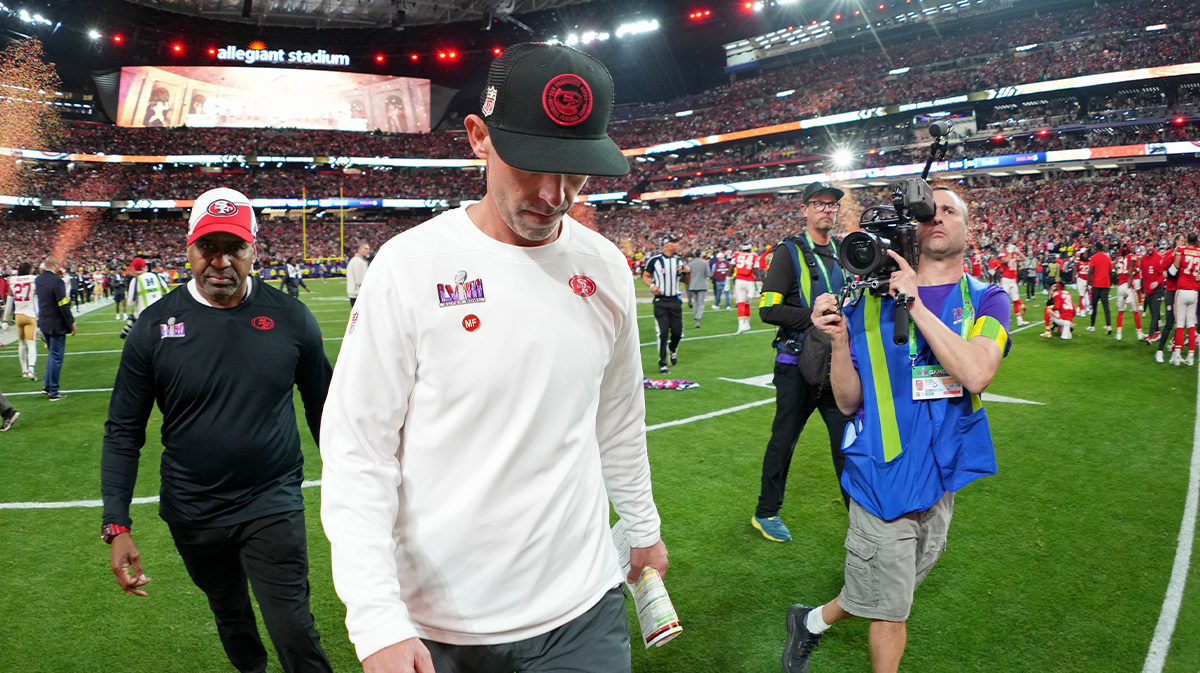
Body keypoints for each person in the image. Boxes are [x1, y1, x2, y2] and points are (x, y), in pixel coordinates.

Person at [319, 42, 666, 673]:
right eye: (533, 163)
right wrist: (374, 619)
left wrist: (641, 525)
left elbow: (618, 418)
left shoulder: (607, 269)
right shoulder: (407, 267)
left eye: (577, 170)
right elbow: (358, 449)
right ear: (479, 137)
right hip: (444, 626)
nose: (555, 193)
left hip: (584, 607)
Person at [100, 187, 335, 673]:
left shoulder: (291, 317)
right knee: (230, 616)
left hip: (271, 499)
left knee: (293, 626)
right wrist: (116, 524)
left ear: (255, 249)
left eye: (235, 247)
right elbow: (124, 429)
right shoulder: (154, 325)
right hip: (193, 509)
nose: (221, 261)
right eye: (209, 247)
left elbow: (325, 408)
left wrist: (352, 481)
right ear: (189, 248)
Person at [783, 186, 1011, 673]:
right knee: (893, 608)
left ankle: (810, 622)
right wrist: (840, 342)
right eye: (930, 212)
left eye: (951, 211)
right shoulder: (867, 301)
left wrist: (916, 306)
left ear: (969, 230)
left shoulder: (987, 299)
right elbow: (847, 401)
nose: (939, 218)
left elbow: (977, 373)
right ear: (913, 231)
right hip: (881, 472)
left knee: (891, 585)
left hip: (942, 475)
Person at [752, 181, 854, 543]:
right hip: (796, 364)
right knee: (784, 440)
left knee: (849, 445)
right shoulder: (788, 252)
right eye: (819, 204)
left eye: (832, 205)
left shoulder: (845, 251)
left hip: (838, 364)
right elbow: (767, 309)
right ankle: (766, 512)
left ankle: (860, 522)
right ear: (805, 210)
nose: (827, 209)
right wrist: (811, 316)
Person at [643, 237, 690, 373]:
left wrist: (687, 272)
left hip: (675, 300)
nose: (676, 245)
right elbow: (646, 275)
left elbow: (686, 281)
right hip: (661, 300)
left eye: (676, 243)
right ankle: (662, 362)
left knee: (678, 332)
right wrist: (652, 286)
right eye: (673, 243)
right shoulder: (655, 260)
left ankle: (672, 349)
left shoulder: (679, 261)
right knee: (663, 332)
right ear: (666, 245)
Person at [35, 255, 75, 401]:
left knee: (52, 355)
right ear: (55, 265)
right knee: (56, 357)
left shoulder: (39, 279)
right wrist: (71, 322)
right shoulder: (57, 282)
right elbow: (63, 304)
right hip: (56, 324)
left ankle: (47, 386)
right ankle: (53, 391)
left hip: (44, 321)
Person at [1169, 232, 1200, 366]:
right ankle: (1191, 357)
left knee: (1180, 325)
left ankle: (1177, 356)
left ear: (1187, 240)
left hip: (1182, 290)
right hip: (1194, 291)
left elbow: (1173, 270)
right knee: (1191, 325)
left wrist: (1166, 272)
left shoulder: (1181, 250)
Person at [4, 262, 39, 379]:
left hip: (18, 316)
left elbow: (9, 302)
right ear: (29, 270)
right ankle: (31, 370)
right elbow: (36, 298)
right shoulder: (33, 279)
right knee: (31, 343)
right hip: (30, 314)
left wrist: (4, 320)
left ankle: (24, 370)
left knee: (21, 343)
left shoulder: (13, 280)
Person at [120, 257, 167, 340]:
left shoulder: (135, 280)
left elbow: (130, 303)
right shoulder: (157, 277)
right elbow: (167, 293)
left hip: (145, 319)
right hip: (162, 316)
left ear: (134, 269)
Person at [1156, 235, 1185, 363]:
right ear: (1176, 241)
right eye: (1182, 240)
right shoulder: (1170, 252)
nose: (1183, 243)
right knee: (1169, 322)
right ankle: (1159, 351)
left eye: (1184, 241)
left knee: (1180, 323)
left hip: (1181, 291)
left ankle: (1176, 349)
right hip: (1170, 291)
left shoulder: (1185, 254)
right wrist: (1174, 253)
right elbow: (1164, 266)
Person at [1114, 245, 1143, 341]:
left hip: (1119, 286)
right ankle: (1139, 332)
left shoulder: (1119, 259)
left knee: (1121, 311)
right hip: (1127, 285)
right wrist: (1129, 288)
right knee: (1135, 311)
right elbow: (1131, 272)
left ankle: (1119, 333)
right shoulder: (1131, 257)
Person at [1142, 238, 1166, 344]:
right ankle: (1157, 332)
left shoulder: (1158, 258)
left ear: (1153, 246)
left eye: (1151, 245)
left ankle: (1150, 336)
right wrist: (1145, 290)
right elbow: (1144, 276)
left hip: (1158, 289)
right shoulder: (1143, 259)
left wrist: (1157, 282)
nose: (1150, 248)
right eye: (1148, 246)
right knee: (1152, 312)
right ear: (1145, 247)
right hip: (1149, 291)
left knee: (1155, 312)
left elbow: (1163, 273)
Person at [733, 243, 759, 333]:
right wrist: (759, 287)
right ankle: (747, 324)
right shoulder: (754, 256)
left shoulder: (736, 255)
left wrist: (728, 282)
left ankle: (741, 325)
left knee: (740, 303)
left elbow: (730, 269)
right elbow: (756, 272)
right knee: (747, 303)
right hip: (749, 281)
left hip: (739, 280)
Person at [1087, 245, 1113, 333]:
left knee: (1094, 306)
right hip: (1105, 284)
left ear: (1096, 249)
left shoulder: (1093, 258)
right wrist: (1109, 284)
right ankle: (1109, 325)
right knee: (1106, 306)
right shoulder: (1108, 258)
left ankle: (1092, 325)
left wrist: (1088, 283)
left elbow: (1091, 271)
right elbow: (1110, 272)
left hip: (1096, 284)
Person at [687, 252, 712, 329]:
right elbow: (708, 274)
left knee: (696, 302)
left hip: (693, 285)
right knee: (701, 303)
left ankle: (696, 316)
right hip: (702, 284)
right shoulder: (704, 263)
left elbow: (688, 275)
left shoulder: (690, 264)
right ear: (700, 255)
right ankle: (698, 318)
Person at [346, 243, 369, 307]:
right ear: (359, 250)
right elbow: (360, 280)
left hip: (354, 293)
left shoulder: (355, 260)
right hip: (357, 293)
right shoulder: (359, 262)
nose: (368, 250)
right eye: (366, 248)